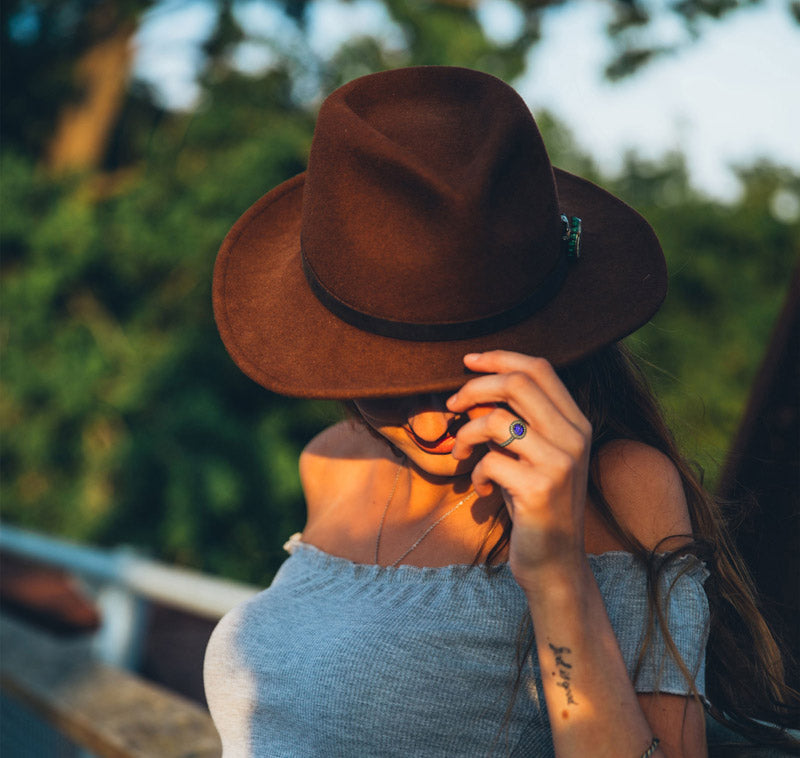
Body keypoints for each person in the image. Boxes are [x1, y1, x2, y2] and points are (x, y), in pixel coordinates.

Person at [204, 66, 798, 757]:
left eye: (458, 372)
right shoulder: (333, 460)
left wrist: (555, 569)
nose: (429, 426)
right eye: (385, 380)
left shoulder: (624, 488)